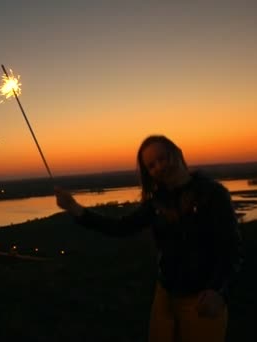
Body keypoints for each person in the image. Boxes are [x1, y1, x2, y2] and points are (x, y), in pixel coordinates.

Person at [54, 135, 242, 342]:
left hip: (202, 298)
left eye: (163, 158)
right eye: (152, 165)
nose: (159, 166)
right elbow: (120, 227)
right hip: (165, 295)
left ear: (177, 153)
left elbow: (231, 247)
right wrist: (74, 208)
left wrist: (219, 291)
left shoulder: (212, 194)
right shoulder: (156, 204)